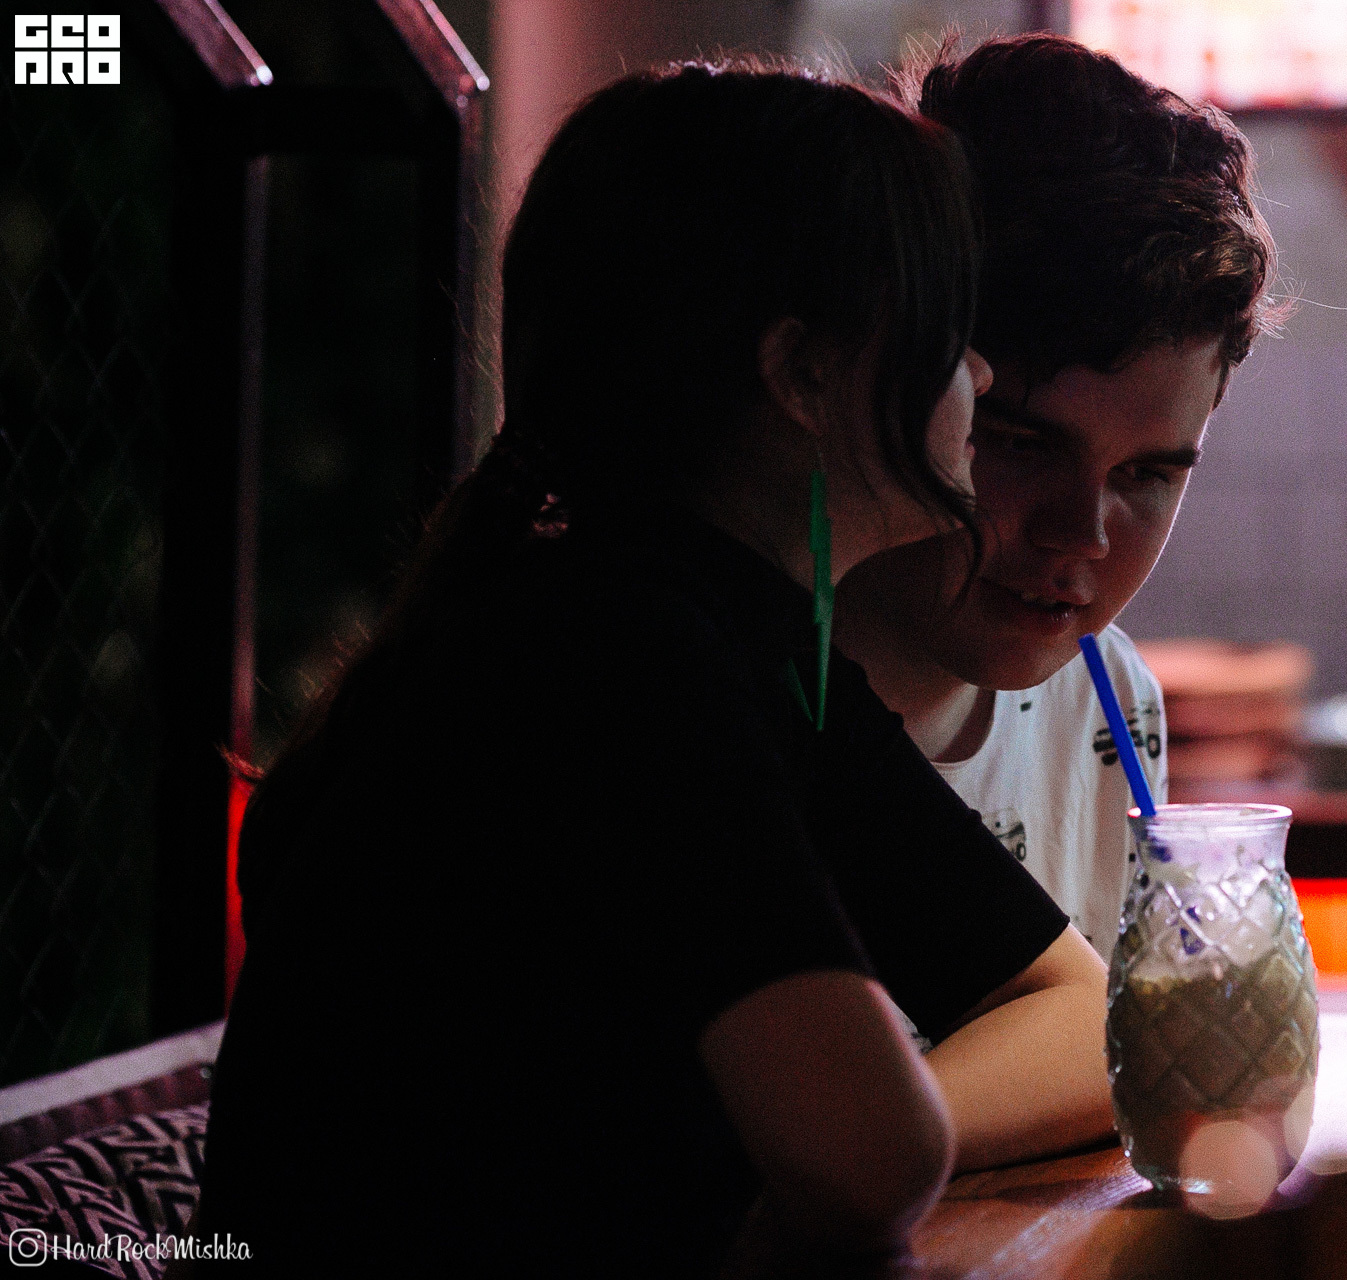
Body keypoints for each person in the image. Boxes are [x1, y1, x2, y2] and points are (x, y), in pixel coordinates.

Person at [191, 63, 1109, 1277]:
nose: (980, 375)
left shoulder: (726, 635)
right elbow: (869, 1159)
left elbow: (1083, 1016)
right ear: (802, 373)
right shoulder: (617, 652)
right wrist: (828, 1157)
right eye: (945, 331)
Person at [835, 35, 1279, 964]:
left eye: (1147, 474)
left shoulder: (1111, 701)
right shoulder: (733, 700)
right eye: (1020, 445)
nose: (1080, 536)